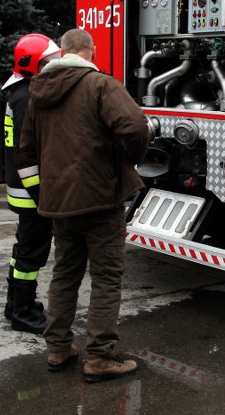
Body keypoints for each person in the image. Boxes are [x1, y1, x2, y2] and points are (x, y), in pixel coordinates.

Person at [16, 28, 150, 382]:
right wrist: (127, 163)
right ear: (91, 51)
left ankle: (58, 348)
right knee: (106, 278)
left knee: (65, 274)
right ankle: (100, 358)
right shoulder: (100, 85)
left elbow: (26, 150)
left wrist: (45, 189)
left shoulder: (37, 93)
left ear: (62, 52)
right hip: (100, 200)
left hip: (59, 203)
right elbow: (135, 126)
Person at [2, 33, 60, 334]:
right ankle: (22, 313)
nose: (54, 65)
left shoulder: (20, 90)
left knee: (22, 248)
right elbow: (28, 153)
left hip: (23, 187)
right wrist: (42, 194)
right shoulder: (27, 97)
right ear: (35, 64)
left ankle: (15, 304)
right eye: (49, 61)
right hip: (31, 190)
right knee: (31, 252)